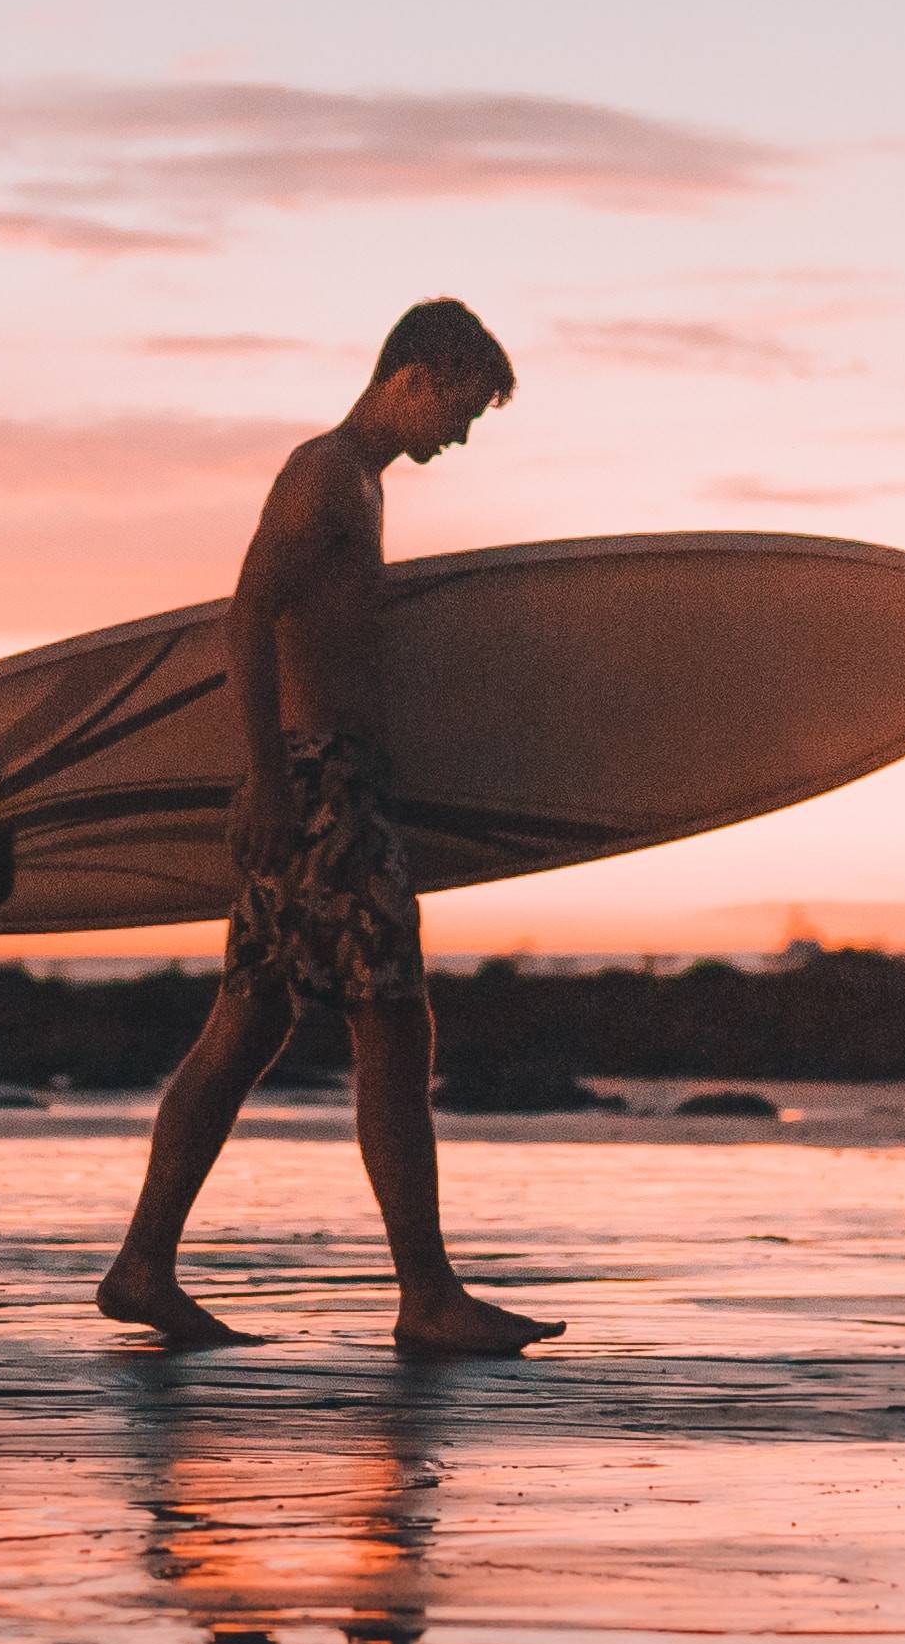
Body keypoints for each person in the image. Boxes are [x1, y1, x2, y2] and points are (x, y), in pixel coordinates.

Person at [97, 299, 564, 1358]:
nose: (459, 435)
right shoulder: (323, 475)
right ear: (414, 373)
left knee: (250, 1024)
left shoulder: (356, 483)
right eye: (461, 407)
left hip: (326, 783)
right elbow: (245, 616)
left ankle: (142, 1265)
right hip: (318, 792)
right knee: (392, 1026)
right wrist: (266, 778)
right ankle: (428, 1297)